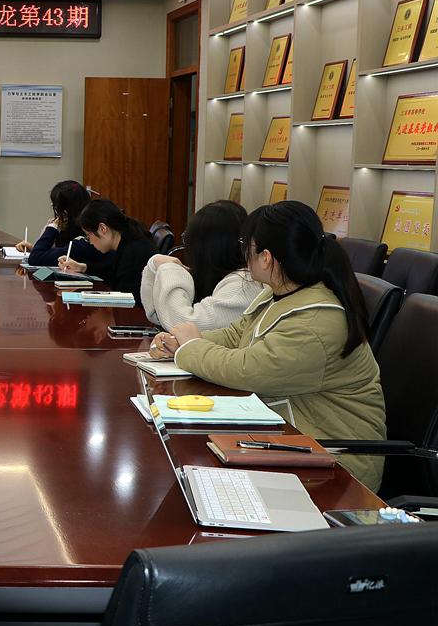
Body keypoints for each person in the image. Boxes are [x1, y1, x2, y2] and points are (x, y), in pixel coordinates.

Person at [149, 201, 385, 490]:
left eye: (246, 245)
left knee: (196, 476)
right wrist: (179, 342)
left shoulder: (315, 322)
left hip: (337, 465)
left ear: (266, 258)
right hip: (288, 437)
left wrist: (190, 348)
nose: (243, 253)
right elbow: (236, 335)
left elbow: (248, 369)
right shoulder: (279, 293)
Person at [140, 200, 261, 330]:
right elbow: (158, 315)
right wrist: (154, 264)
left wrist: (170, 270)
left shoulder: (244, 285)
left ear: (205, 249)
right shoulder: (222, 277)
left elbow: (185, 326)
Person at [58, 199, 157, 304]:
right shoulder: (127, 240)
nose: (90, 242)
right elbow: (110, 271)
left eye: (88, 236)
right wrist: (82, 267)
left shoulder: (133, 253)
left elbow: (126, 300)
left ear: (103, 228)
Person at [15, 180, 107, 268]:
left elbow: (35, 258)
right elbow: (54, 254)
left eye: (55, 207)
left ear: (65, 213)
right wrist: (35, 249)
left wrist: (52, 228)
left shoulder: (82, 242)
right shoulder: (79, 233)